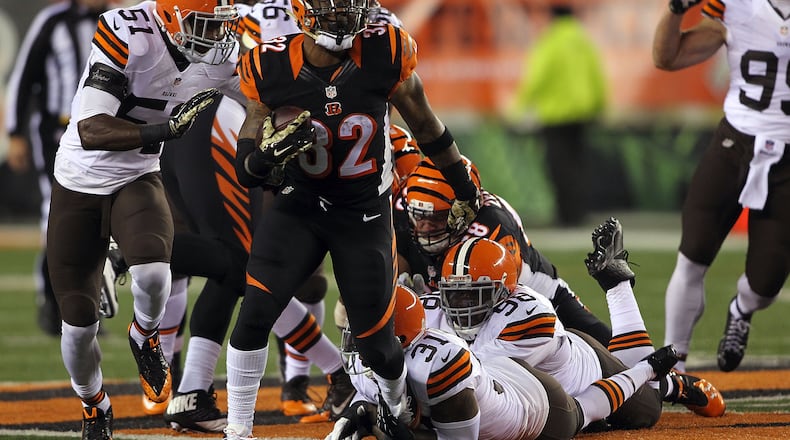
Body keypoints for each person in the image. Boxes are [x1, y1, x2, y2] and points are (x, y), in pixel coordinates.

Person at [225, 0, 482, 438]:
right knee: (254, 314)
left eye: (350, 5)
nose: (343, 15)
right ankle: (237, 430)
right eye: (332, 7)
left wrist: (463, 186)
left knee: (377, 344)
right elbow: (247, 167)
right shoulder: (270, 64)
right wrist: (264, 158)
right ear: (304, 11)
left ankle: (397, 409)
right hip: (300, 206)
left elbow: (426, 126)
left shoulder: (386, 51)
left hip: (363, 213)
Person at [45, 0, 241, 438]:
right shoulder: (130, 33)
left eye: (218, 26)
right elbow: (91, 129)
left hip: (137, 174)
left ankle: (146, 335)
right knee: (77, 326)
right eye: (204, 25)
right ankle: (94, 403)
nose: (214, 37)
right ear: (173, 18)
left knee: (154, 272)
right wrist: (165, 131)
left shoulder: (222, 53)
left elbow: (263, 101)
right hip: (79, 180)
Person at [432, 221, 725, 423]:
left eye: (473, 295)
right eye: (454, 294)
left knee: (646, 406)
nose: (461, 305)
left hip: (592, 376)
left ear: (503, 293)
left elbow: (471, 379)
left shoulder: (525, 315)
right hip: (551, 386)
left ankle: (672, 384)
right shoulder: (434, 309)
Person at [327, 284, 680, 440]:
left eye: (367, 335)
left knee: (585, 412)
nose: (357, 345)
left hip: (539, 404)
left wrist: (383, 427)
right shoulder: (375, 359)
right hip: (496, 370)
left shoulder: (438, 367)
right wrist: (364, 415)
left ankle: (649, 369)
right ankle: (649, 369)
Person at [654, 0, 790, 372]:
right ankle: (674, 364)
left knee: (765, 286)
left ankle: (741, 309)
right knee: (692, 254)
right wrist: (675, 10)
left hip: (787, 161)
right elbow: (667, 57)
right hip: (733, 145)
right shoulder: (737, 5)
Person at [397, 158, 613, 345]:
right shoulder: (401, 211)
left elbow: (487, 303)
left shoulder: (492, 227)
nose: (425, 227)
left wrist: (429, 303)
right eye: (418, 216)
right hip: (455, 300)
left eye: (437, 217)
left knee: (606, 346)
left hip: (526, 298)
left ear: (465, 209)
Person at [3, 0, 113, 336]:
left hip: (105, 132)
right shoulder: (52, 21)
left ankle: (85, 307)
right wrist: (15, 133)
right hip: (57, 131)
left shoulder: (117, 20)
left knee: (97, 220)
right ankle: (52, 303)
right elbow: (24, 76)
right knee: (56, 214)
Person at [509, 3, 606, 227]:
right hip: (582, 113)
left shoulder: (550, 42)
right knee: (578, 164)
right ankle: (579, 212)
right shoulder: (584, 42)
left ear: (553, 18)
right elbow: (597, 76)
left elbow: (537, 77)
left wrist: (519, 107)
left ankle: (566, 213)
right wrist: (599, 106)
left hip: (555, 114)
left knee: (558, 166)